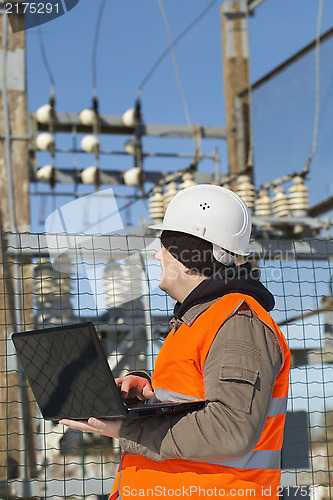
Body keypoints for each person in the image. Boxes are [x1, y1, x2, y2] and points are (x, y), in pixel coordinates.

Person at [60, 184, 291, 499]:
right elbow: (196, 394)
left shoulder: (238, 322)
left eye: (164, 246)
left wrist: (126, 429)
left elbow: (231, 429)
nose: (157, 255)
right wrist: (147, 390)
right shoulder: (200, 320)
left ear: (187, 259)